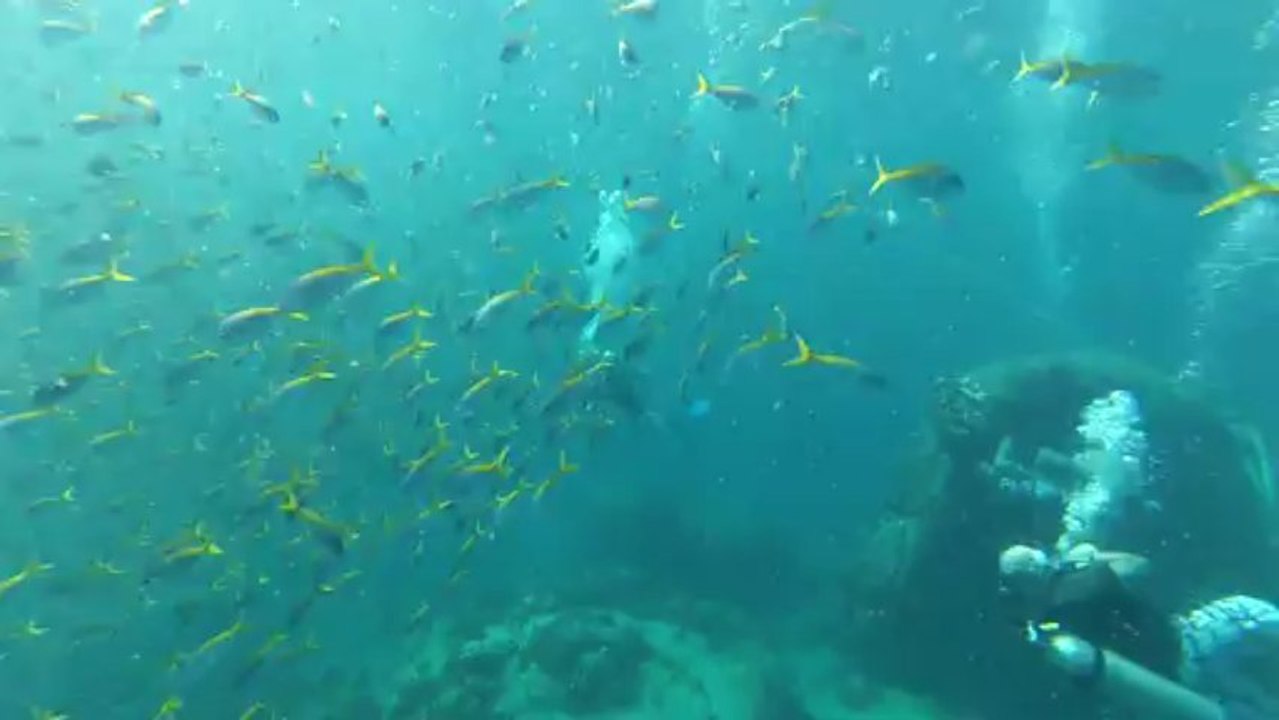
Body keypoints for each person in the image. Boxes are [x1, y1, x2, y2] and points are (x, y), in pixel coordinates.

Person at [1000, 543, 1279, 720]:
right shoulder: (1084, 572)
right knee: (1251, 613)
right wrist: (1093, 558)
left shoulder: (1055, 623)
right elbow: (1139, 565)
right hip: (1193, 637)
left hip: (1178, 679)